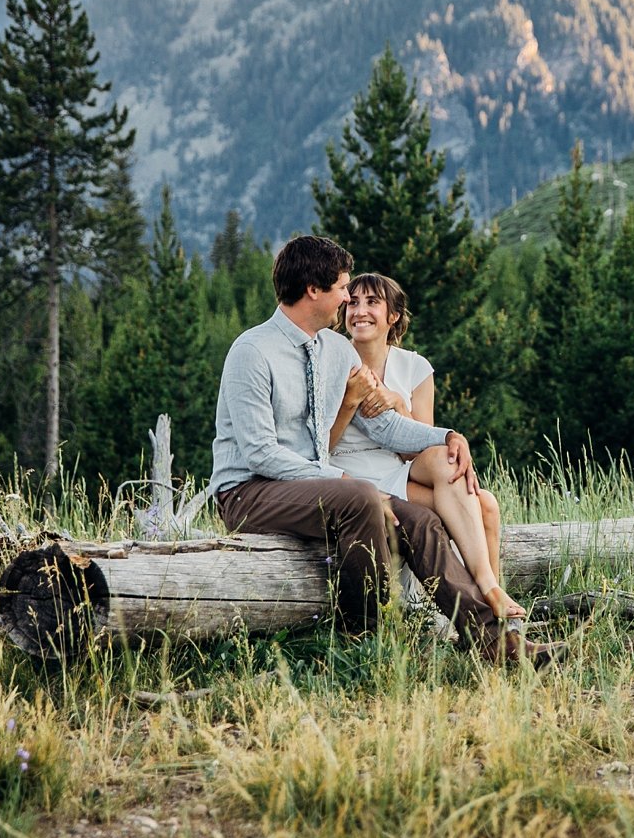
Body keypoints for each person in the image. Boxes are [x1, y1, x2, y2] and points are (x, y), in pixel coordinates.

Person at [210, 234, 552, 667]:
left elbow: (385, 426)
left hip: (316, 488)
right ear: (313, 291)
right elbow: (259, 453)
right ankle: (367, 640)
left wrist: (446, 436)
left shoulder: (336, 350)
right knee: (361, 496)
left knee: (422, 520)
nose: (346, 300)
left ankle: (494, 644)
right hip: (249, 492)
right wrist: (341, 481)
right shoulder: (252, 351)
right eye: (341, 289)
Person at [329, 272, 524, 620]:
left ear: (392, 316)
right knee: (486, 506)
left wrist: (398, 406)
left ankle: (488, 586)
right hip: (353, 471)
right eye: (353, 302)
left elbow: (416, 448)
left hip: (399, 467)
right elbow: (320, 443)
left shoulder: (414, 367)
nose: (360, 311)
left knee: (445, 458)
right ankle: (487, 601)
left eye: (372, 302)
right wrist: (351, 398)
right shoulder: (335, 359)